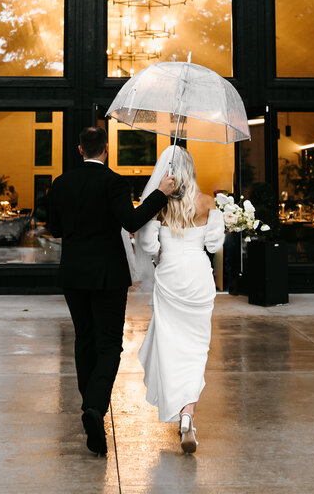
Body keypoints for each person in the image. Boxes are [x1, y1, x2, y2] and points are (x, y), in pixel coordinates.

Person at [48, 125, 177, 455]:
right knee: (108, 346)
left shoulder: (60, 183)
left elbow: (55, 229)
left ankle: (88, 405)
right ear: (106, 149)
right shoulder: (113, 182)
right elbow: (131, 221)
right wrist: (160, 193)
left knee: (84, 339)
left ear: (80, 150)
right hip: (108, 275)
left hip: (74, 274)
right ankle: (93, 407)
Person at [135, 144, 225, 454]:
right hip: (198, 279)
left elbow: (147, 245)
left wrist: (163, 250)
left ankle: (184, 416)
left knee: (172, 349)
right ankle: (188, 415)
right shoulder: (205, 202)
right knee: (196, 350)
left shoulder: (157, 205)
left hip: (170, 277)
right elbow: (213, 244)